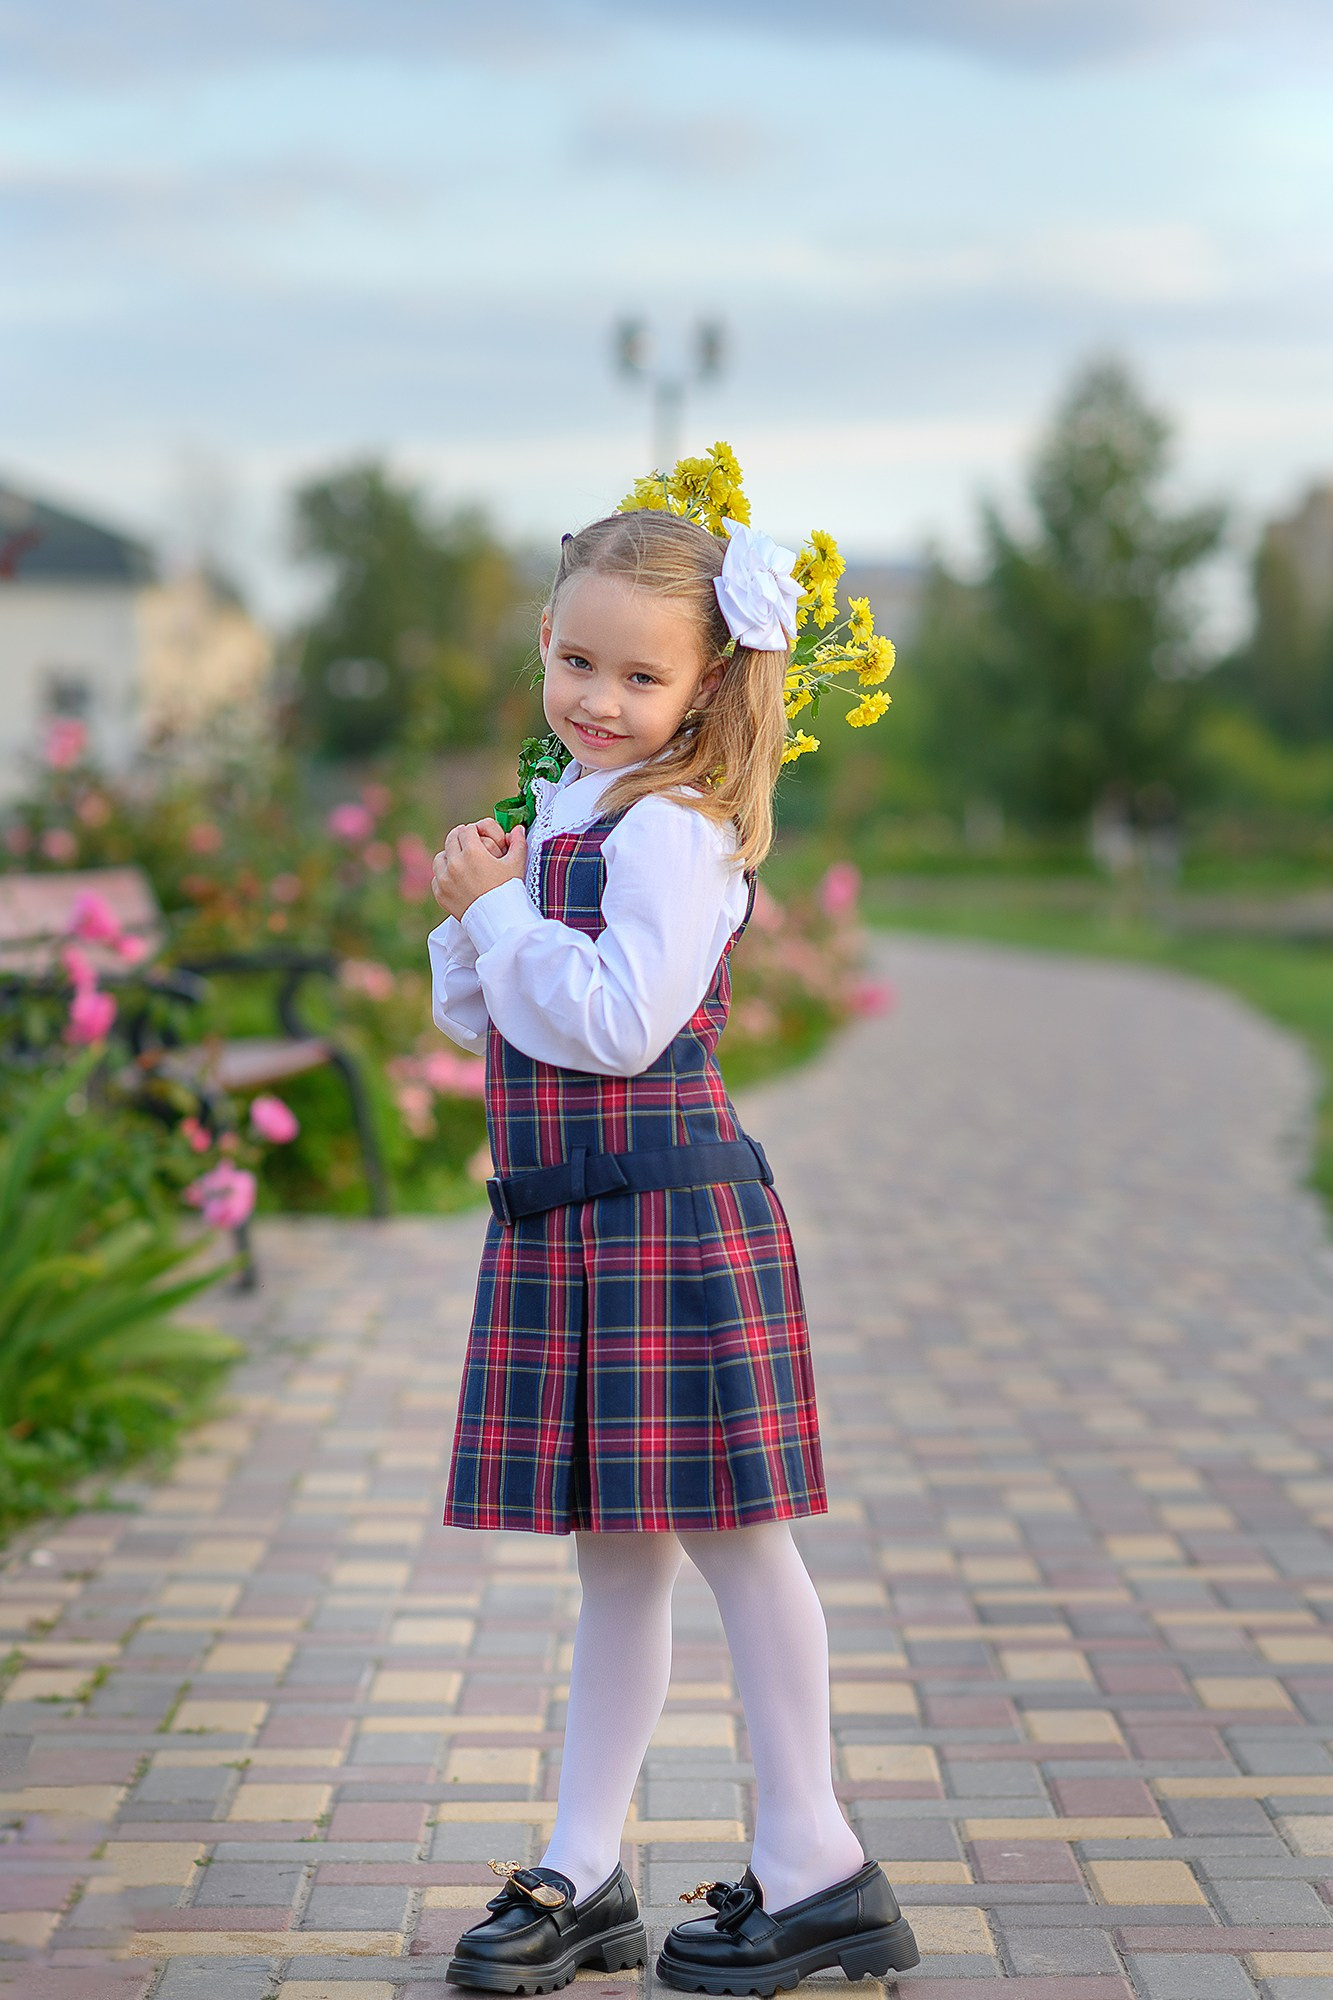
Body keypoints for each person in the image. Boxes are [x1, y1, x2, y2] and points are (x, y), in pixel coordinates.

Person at [427, 504, 919, 1995]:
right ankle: (583, 1868)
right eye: (576, 660)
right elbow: (491, 1018)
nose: (596, 697)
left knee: (738, 1545)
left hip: (667, 1217)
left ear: (702, 687)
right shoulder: (570, 808)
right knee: (615, 1564)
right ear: (543, 641)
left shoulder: (679, 830)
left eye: (637, 679)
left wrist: (502, 913)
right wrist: (472, 918)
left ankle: (817, 1861)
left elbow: (616, 1023)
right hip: (570, 1223)